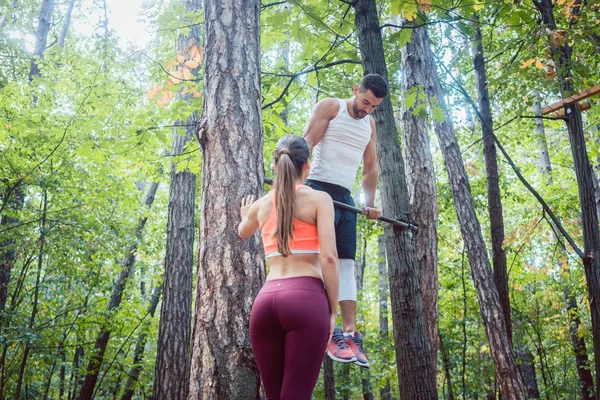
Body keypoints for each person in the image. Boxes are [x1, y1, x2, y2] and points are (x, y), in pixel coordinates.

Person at [238, 134, 339, 400]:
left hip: (265, 304)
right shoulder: (320, 199)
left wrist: (244, 216)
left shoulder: (260, 205)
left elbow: (242, 232)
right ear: (307, 165)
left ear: (276, 165)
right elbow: (329, 257)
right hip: (305, 300)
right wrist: (333, 311)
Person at [303, 73, 388, 368]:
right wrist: (294, 185)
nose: (367, 109)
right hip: (316, 189)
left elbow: (369, 167)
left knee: (347, 263)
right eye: (365, 102)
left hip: (345, 200)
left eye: (373, 106)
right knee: (319, 259)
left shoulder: (370, 124)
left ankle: (349, 336)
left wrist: (369, 203)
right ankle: (327, 331)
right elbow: (307, 143)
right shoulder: (331, 107)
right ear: (355, 90)